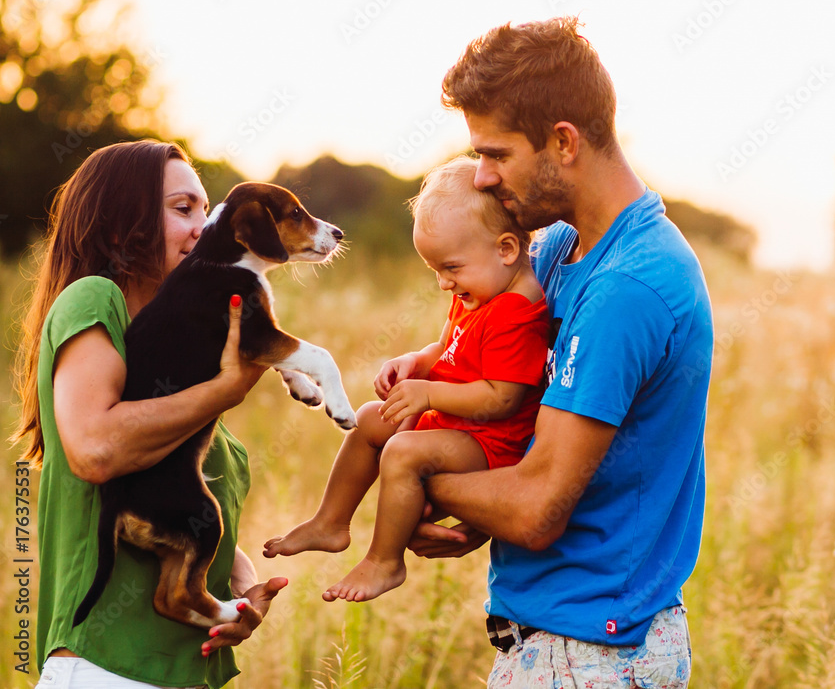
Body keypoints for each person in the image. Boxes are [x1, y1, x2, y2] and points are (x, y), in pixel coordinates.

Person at [405, 18, 714, 688]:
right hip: (554, 641)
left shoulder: (628, 284)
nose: (482, 179)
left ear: (564, 142)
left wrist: (413, 480)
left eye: (496, 155)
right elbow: (509, 411)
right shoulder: (552, 251)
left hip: (596, 654)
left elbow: (536, 506)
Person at [12, 140, 287, 689]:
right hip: (106, 668)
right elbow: (95, 449)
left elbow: (182, 503)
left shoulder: (175, 365)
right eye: (183, 209)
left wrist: (236, 595)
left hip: (183, 672)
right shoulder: (94, 299)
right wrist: (226, 389)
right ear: (121, 229)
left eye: (207, 211)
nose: (204, 227)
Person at [262, 155, 548, 603]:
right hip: (459, 425)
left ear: (507, 249)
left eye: (451, 268)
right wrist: (415, 362)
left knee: (403, 451)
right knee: (371, 418)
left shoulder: (515, 311)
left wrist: (430, 392)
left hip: (491, 443)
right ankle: (331, 522)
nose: (443, 285)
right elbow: (446, 350)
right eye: (436, 272)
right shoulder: (482, 290)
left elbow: (502, 399)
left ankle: (385, 561)